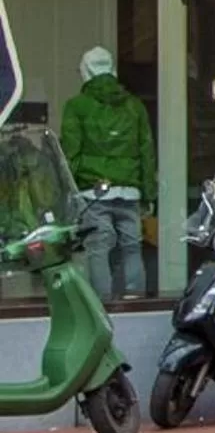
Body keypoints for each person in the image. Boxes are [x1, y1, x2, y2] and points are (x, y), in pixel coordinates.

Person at [61, 47, 152, 300]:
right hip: (129, 189)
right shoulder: (135, 106)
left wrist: (72, 188)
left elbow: (70, 152)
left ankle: (103, 303)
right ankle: (136, 300)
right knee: (132, 247)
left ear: (85, 71)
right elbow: (147, 152)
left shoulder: (76, 106)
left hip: (94, 190)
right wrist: (148, 192)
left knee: (98, 247)